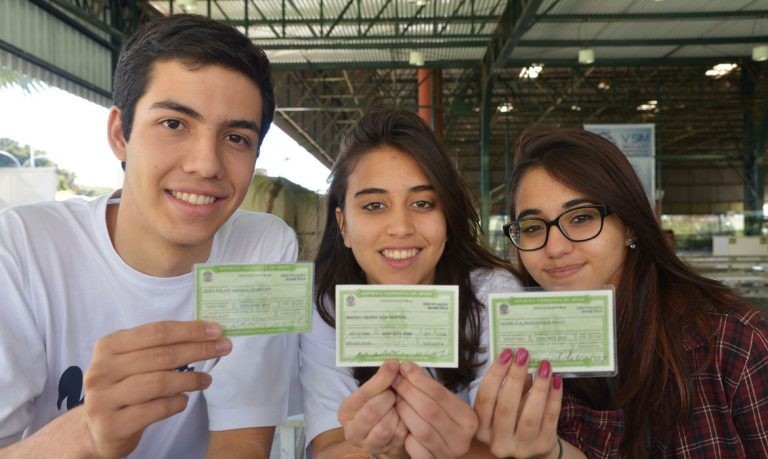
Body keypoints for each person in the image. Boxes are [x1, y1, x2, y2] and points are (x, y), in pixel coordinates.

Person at [0, 14, 300, 458]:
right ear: (120, 134)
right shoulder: (22, 249)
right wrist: (87, 434)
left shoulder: (264, 249)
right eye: (174, 124)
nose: (206, 164)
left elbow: (241, 442)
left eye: (235, 137)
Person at [299, 107, 551, 458]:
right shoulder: (325, 307)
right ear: (343, 226)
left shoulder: (491, 292)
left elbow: (505, 447)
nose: (401, 227)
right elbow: (329, 446)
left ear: (446, 215)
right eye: (374, 205)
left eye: (422, 202)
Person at [501, 127, 768, 457]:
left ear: (629, 224)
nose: (555, 247)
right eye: (531, 227)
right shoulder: (521, 359)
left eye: (582, 217)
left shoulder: (731, 342)